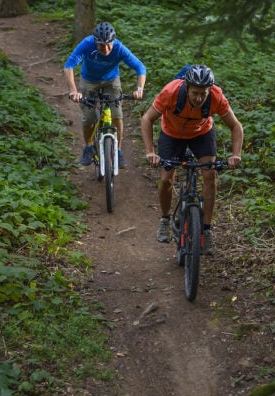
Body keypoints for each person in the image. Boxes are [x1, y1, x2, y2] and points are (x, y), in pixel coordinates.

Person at [141, 64, 244, 256]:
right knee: (166, 178)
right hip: (171, 134)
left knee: (210, 174)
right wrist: (150, 152)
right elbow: (147, 119)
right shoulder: (170, 92)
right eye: (195, 93)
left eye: (203, 94)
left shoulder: (216, 96)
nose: (199, 98)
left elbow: (236, 126)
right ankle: (164, 220)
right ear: (187, 87)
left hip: (201, 133)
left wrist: (236, 154)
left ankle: (205, 230)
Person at [63, 21, 147, 167]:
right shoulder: (87, 44)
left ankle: (118, 151)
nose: (106, 49)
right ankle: (88, 147)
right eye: (102, 45)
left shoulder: (119, 47)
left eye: (109, 44)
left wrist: (139, 89)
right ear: (95, 42)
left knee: (117, 116)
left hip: (111, 81)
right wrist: (73, 90)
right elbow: (69, 65)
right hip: (89, 80)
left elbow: (140, 67)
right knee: (89, 116)